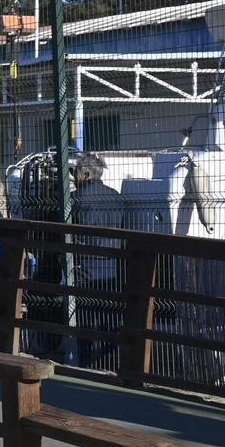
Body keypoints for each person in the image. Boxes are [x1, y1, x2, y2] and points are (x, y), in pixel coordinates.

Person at [70, 151, 124, 367]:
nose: (74, 178)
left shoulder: (75, 199)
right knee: (109, 319)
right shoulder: (116, 197)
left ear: (87, 174)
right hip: (111, 266)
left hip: (85, 266)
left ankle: (84, 362)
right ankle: (109, 362)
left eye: (76, 173)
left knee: (85, 319)